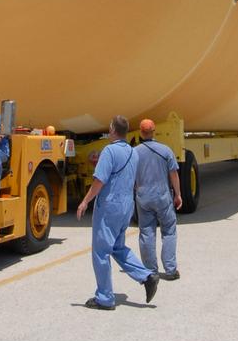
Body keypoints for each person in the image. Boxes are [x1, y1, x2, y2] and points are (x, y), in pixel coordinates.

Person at [76, 115, 158, 310]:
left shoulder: (109, 151)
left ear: (113, 130)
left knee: (101, 252)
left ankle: (105, 297)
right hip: (126, 206)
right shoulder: (133, 152)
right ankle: (147, 276)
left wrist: (85, 201)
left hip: (110, 207)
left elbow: (99, 180)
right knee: (117, 247)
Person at [134, 118, 182, 280]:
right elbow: (174, 174)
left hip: (143, 197)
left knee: (146, 233)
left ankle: (150, 271)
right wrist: (178, 194)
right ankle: (170, 269)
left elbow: (130, 177)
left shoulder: (135, 152)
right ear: (154, 131)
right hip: (163, 197)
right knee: (169, 231)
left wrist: (136, 189)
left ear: (141, 132)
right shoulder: (165, 150)